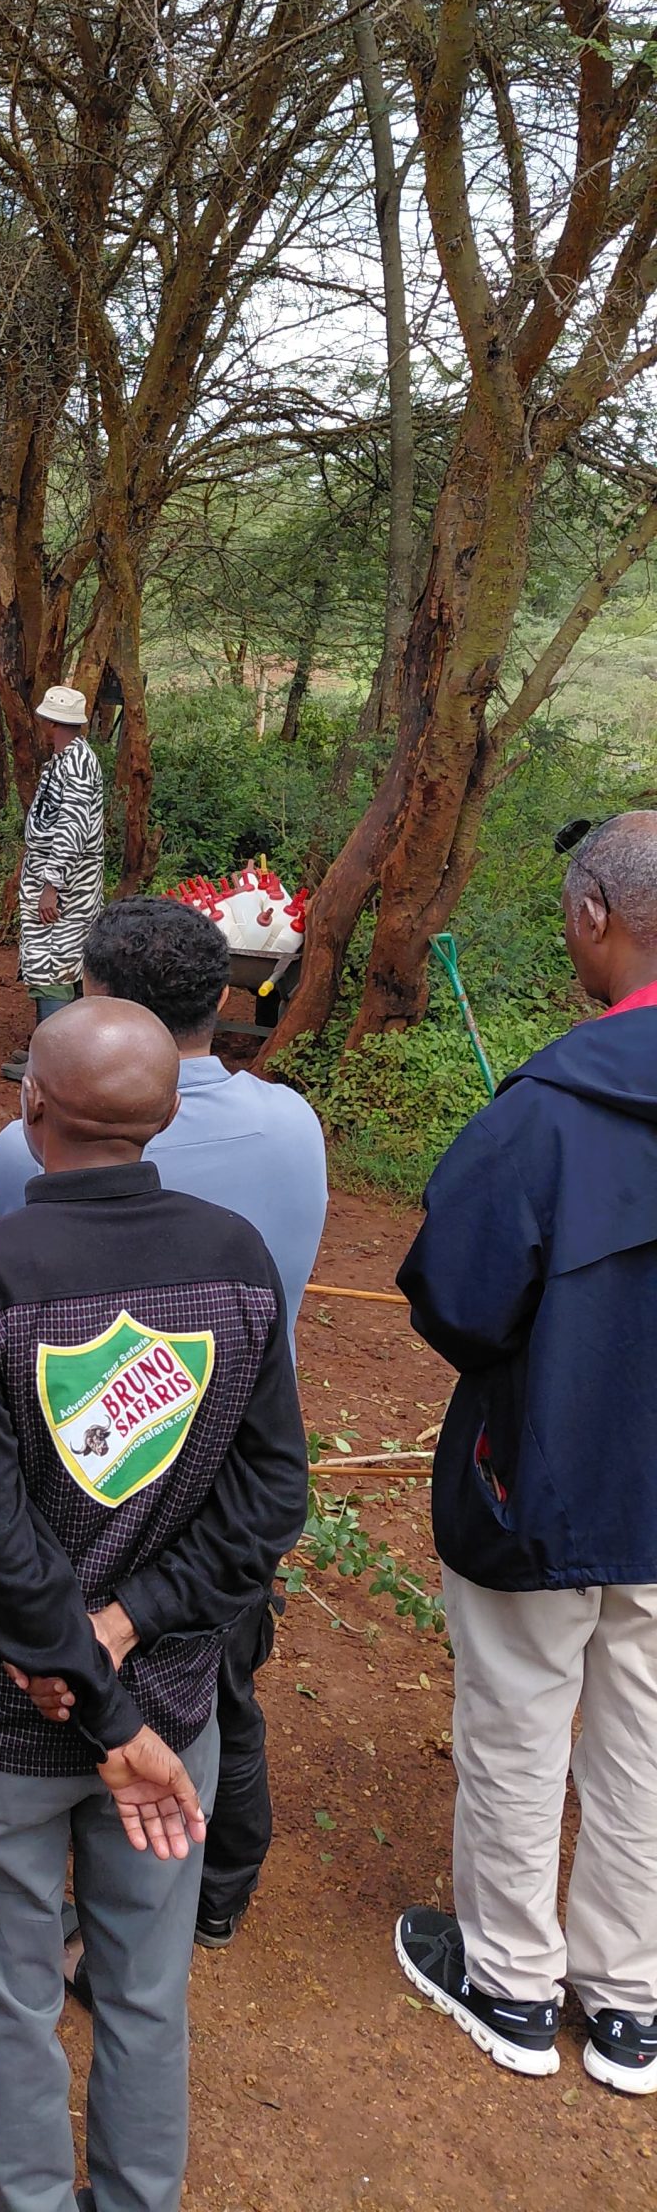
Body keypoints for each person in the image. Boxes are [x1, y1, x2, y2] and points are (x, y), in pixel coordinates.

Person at [0, 998, 307, 2212]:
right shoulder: (236, 1259)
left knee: (2, 1994)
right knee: (144, 1987)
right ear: (168, 1116)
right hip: (173, 1711)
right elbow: (272, 1494)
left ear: (31, 1105)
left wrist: (88, 1662)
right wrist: (133, 1637)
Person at [0, 897, 328, 1959]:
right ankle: (213, 1888)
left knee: (71, 1667)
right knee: (219, 1671)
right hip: (234, 1461)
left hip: (81, 1463)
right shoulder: (293, 1126)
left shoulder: (24, 1149)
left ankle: (63, 1893)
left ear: (97, 1005)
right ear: (216, 997)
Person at [392, 809, 657, 2095]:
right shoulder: (550, 1099)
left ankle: (510, 1978)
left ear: (596, 914)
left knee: (519, 1712)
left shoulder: (549, 1106)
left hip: (540, 1476)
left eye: (568, 918)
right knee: (647, 1734)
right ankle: (630, 2003)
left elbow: (456, 1295)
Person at [4, 683, 107, 1082]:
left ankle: (52, 1066)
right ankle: (49, 1050)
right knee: (56, 959)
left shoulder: (76, 764)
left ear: (50, 722)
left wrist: (52, 884)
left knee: (53, 962)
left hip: (65, 883)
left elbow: (72, 827)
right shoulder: (68, 759)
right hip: (58, 876)